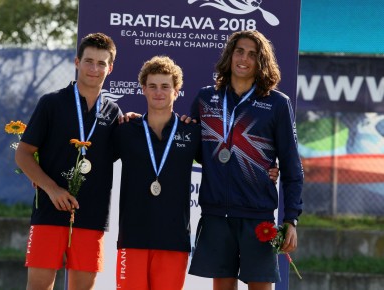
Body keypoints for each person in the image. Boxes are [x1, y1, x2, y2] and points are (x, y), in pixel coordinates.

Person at [188, 30, 304, 290]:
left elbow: (291, 165)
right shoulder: (206, 98)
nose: (244, 58)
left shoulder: (276, 103)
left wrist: (291, 220)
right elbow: (195, 152)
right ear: (230, 55)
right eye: (239, 51)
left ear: (261, 61)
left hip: (257, 215)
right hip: (217, 214)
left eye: (252, 54)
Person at [15, 32, 122, 290]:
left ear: (110, 67)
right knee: (39, 286)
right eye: (88, 61)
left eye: (101, 63)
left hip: (92, 215)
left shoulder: (113, 113)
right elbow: (23, 153)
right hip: (50, 211)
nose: (94, 69)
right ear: (77, 62)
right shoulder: (51, 103)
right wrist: (51, 189)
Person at [112, 55, 202, 290]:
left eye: (165, 86)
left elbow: (223, 165)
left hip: (174, 240)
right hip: (132, 238)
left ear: (177, 90)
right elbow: (93, 160)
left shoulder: (191, 132)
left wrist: (270, 171)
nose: (158, 92)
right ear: (143, 89)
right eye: (152, 86)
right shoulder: (125, 129)